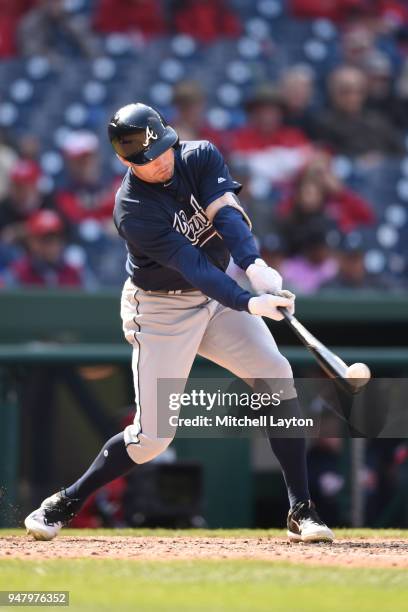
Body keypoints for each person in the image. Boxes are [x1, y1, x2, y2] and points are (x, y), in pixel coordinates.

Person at [25, 103, 334, 543]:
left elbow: (226, 214)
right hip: (161, 309)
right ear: (125, 162)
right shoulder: (132, 209)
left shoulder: (200, 155)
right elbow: (196, 269)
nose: (161, 160)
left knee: (277, 375)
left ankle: (301, 509)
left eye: (165, 149)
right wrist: (249, 303)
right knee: (152, 439)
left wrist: (254, 263)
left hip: (218, 298)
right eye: (148, 159)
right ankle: (66, 501)